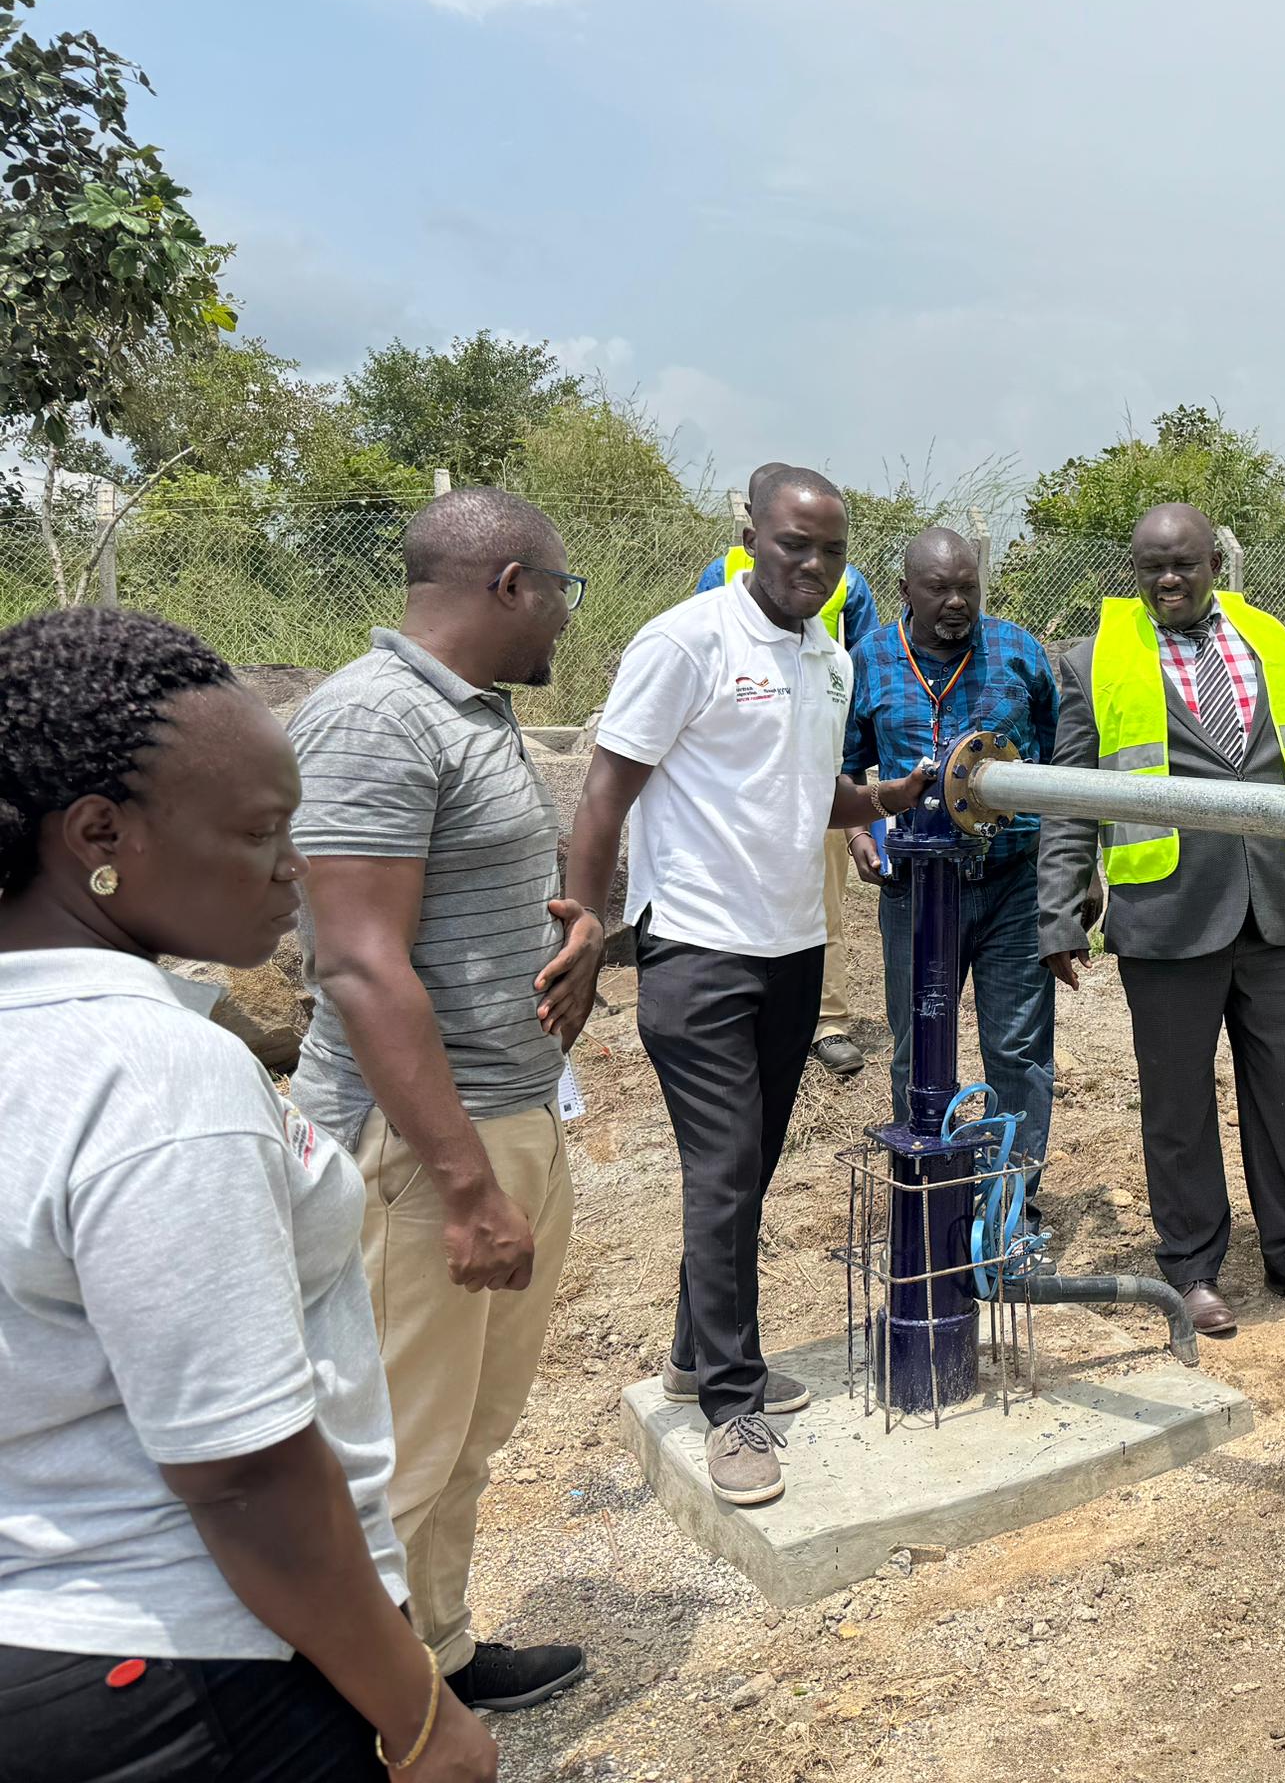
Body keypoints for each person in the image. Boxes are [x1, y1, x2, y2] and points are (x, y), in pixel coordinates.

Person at [0, 608, 495, 1782]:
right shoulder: (158, 1073)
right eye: (262, 832)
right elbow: (245, 1473)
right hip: (195, 1673)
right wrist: (419, 1715)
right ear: (98, 834)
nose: (295, 869)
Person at [285, 489, 598, 1714]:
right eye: (563, 587)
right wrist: (465, 1183)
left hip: (502, 1113)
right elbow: (361, 963)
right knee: (396, 1453)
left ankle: (441, 1656)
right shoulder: (373, 721)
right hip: (423, 1147)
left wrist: (566, 928)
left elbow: (443, 906)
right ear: (512, 583)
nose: (572, 612)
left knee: (468, 1428)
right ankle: (360, 1717)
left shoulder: (469, 714)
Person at [567, 468, 927, 1507]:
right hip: (695, 951)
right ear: (750, 538)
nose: (813, 568)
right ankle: (731, 1406)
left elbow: (809, 791)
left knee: (750, 1172)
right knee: (724, 1173)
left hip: (791, 948)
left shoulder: (828, 659)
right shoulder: (685, 642)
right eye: (792, 547)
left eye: (831, 551)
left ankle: (694, 1354)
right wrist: (587, 926)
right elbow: (604, 792)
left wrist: (881, 798)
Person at [1036, 503, 1285, 1337]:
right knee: (1178, 1103)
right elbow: (1073, 798)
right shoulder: (1094, 661)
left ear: (1215, 560)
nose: (1168, 581)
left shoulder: (1272, 641)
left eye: (1182, 564)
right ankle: (1191, 1267)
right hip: (1167, 916)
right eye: (1152, 568)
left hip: (1278, 906)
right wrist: (1059, 911)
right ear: (1136, 572)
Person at [844, 529, 1062, 1208]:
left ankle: (1006, 1204)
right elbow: (845, 767)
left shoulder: (1020, 654)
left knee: (1019, 1053)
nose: (956, 601)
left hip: (1011, 887)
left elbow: (1058, 764)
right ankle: (928, 1193)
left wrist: (1069, 872)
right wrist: (859, 829)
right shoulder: (869, 660)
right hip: (917, 891)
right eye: (938, 588)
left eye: (967, 586)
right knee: (917, 1045)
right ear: (905, 590)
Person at [695, 463, 881, 1080]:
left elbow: (862, 671)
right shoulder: (717, 578)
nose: (811, 560)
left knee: (821, 894)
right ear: (754, 522)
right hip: (742, 779)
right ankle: (744, 1009)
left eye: (823, 546)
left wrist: (848, 772)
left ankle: (826, 1019)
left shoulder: (849, 583)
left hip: (817, 769)